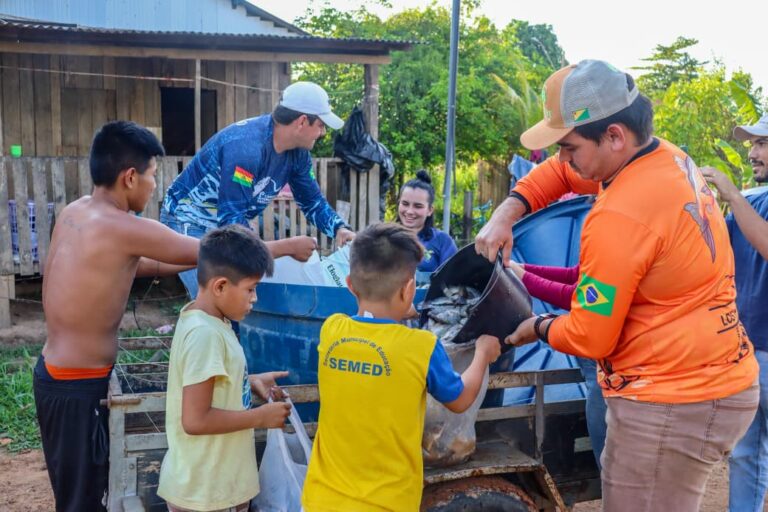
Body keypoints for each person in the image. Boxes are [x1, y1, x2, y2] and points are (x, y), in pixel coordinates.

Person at [477, 59, 759, 510]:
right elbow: (598, 279)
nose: (562, 160)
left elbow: (590, 334)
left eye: (568, 147)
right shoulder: (665, 156)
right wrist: (506, 213)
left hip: (671, 400)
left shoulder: (620, 214)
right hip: (709, 375)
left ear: (614, 136)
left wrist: (537, 326)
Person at [34, 121, 200, 512]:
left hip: (54, 376)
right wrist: (281, 247)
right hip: (78, 388)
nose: (154, 185)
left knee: (76, 494)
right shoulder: (122, 226)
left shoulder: (77, 212)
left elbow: (117, 264)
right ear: (129, 177)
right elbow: (207, 250)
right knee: (84, 501)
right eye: (152, 176)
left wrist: (164, 266)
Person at [302, 223, 501, 511]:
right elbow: (460, 400)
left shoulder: (331, 331)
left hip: (320, 499)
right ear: (409, 289)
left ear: (349, 284)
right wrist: (482, 354)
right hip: (387, 503)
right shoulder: (421, 346)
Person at [161, 81, 356, 299]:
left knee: (239, 300)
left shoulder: (298, 155)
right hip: (189, 220)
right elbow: (232, 222)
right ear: (302, 121)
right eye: (320, 125)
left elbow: (312, 201)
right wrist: (286, 246)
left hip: (227, 226)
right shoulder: (246, 149)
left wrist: (339, 228)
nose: (322, 132)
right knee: (216, 299)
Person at [157, 225, 292, 511]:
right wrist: (259, 417)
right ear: (220, 286)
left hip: (217, 486)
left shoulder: (211, 320)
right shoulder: (205, 334)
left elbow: (207, 380)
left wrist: (247, 380)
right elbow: (195, 420)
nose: (254, 298)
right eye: (250, 289)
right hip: (205, 493)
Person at [701, 115, 768, 512]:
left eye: (762, 144)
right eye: (753, 144)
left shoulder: (745, 200)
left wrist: (731, 193)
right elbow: (709, 243)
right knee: (744, 454)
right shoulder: (753, 200)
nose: (752, 152)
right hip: (746, 350)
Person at [397, 170, 457, 273]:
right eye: (405, 204)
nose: (410, 211)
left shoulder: (443, 241)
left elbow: (452, 279)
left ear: (430, 210)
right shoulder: (384, 239)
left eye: (418, 206)